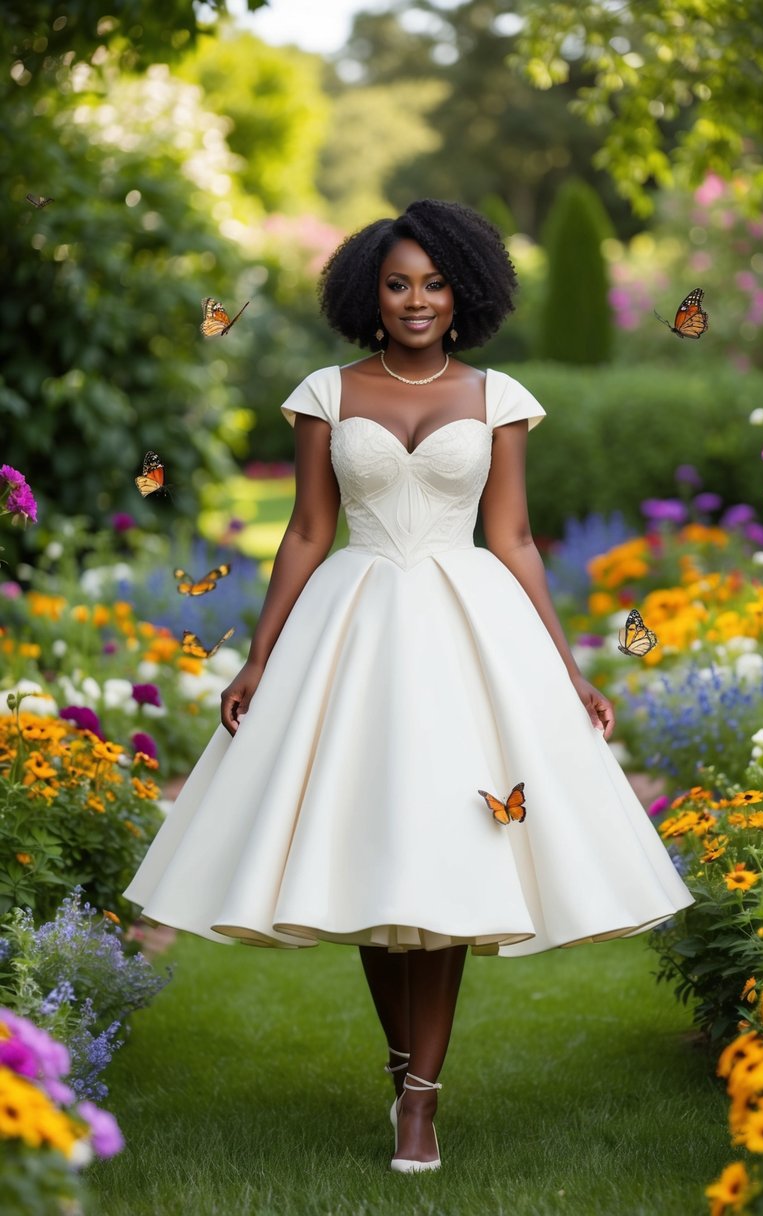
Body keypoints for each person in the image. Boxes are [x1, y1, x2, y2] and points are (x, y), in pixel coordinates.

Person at [124, 199, 693, 1173]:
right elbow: (306, 530)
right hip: (354, 629)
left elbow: (511, 537)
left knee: (449, 853)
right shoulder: (326, 392)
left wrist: (566, 669)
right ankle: (404, 1070)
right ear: (367, 293)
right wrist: (259, 657)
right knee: (381, 861)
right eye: (397, 283)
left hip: (469, 636)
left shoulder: (498, 396)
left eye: (433, 282)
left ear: (462, 290)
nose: (416, 299)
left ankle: (420, 1101)